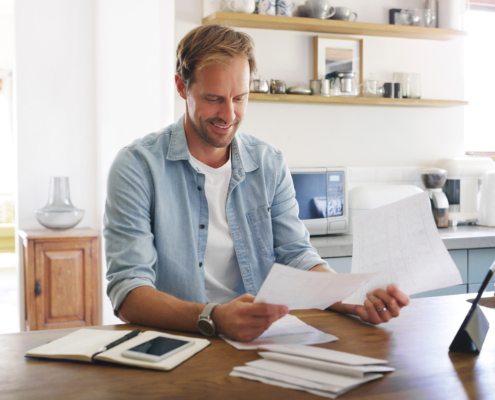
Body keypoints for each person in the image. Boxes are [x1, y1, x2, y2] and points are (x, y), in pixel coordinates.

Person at [104, 25, 409, 343]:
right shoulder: (137, 167)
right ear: (182, 87)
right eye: (213, 99)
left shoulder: (269, 163)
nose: (229, 113)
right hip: (175, 344)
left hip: (258, 342)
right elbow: (128, 292)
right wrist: (215, 318)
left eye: (240, 98)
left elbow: (296, 256)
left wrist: (356, 300)